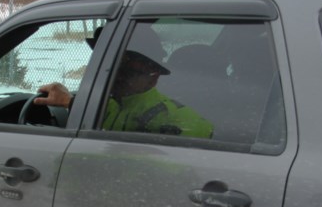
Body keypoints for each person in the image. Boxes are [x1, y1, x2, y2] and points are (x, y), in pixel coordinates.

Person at [34, 26, 214, 138]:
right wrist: (69, 102)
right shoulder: (112, 105)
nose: (113, 76)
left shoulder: (180, 121)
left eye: (125, 69)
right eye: (109, 66)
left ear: (154, 74)